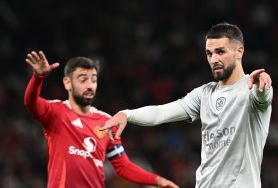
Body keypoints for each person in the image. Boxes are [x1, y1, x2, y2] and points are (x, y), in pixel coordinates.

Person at [101, 22, 273, 188]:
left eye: (220, 52)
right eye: (209, 53)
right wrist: (127, 114)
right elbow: (162, 112)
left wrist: (260, 86)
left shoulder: (253, 88)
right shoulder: (203, 94)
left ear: (239, 51)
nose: (214, 59)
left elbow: (263, 97)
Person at [24, 51, 179, 188]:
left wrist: (158, 180)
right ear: (67, 83)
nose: (90, 85)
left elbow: (123, 166)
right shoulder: (55, 111)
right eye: (83, 79)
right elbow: (30, 103)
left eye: (93, 80)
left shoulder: (107, 122)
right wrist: (38, 77)